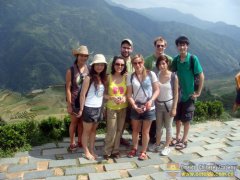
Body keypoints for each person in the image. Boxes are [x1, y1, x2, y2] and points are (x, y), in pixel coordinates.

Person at [171, 35, 204, 150]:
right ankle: (177, 137)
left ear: (187, 46)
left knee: (187, 119)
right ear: (177, 46)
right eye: (180, 45)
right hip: (178, 94)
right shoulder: (176, 60)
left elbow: (201, 75)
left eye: (184, 45)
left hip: (189, 94)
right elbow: (172, 73)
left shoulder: (192, 59)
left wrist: (198, 92)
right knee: (178, 118)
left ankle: (184, 140)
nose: (182, 47)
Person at [127, 54, 160, 160]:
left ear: (143, 62)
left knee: (146, 131)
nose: (137, 65)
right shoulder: (130, 76)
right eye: (135, 63)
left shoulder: (151, 74)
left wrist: (151, 101)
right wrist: (134, 106)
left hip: (149, 106)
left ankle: (143, 151)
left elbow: (157, 90)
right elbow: (129, 95)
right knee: (135, 130)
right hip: (136, 105)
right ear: (132, 64)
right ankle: (134, 148)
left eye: (139, 62)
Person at [77, 54, 107, 160]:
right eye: (97, 64)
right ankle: (86, 151)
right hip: (89, 108)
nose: (99, 67)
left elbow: (101, 94)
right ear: (93, 65)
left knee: (94, 131)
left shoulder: (103, 78)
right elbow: (82, 95)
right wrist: (81, 109)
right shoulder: (88, 78)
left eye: (101, 65)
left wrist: (112, 98)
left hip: (98, 108)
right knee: (87, 131)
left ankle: (92, 149)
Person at [149, 55, 178, 156]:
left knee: (169, 126)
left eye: (163, 63)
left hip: (169, 105)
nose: (161, 66)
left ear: (167, 64)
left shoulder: (173, 76)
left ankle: (167, 146)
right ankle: (157, 144)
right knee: (158, 126)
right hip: (158, 104)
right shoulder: (157, 75)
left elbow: (176, 93)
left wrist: (174, 108)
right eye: (159, 64)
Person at [144, 36, 173, 143]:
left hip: (166, 94)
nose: (160, 47)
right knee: (153, 118)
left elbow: (173, 76)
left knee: (166, 122)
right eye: (158, 45)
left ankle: (167, 140)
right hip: (151, 93)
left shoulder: (169, 59)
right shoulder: (148, 60)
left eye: (162, 45)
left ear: (165, 46)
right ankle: (152, 138)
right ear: (155, 46)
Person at [107, 38, 134, 146]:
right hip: (114, 98)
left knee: (125, 120)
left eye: (128, 48)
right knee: (113, 124)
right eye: (124, 47)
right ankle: (111, 141)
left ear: (131, 49)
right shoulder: (113, 61)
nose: (126, 50)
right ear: (120, 48)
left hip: (129, 97)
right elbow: (107, 78)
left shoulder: (133, 62)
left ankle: (119, 138)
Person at [65, 45, 90, 152]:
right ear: (77, 56)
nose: (83, 58)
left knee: (81, 123)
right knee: (74, 122)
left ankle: (80, 140)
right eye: (81, 56)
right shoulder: (71, 70)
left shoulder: (88, 69)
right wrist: (69, 104)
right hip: (74, 101)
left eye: (85, 56)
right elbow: (67, 88)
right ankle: (72, 142)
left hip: (85, 101)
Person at [103, 56, 128, 160]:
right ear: (113, 65)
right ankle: (107, 151)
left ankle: (116, 150)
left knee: (119, 130)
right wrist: (111, 97)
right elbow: (103, 94)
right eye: (117, 64)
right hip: (111, 107)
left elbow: (129, 93)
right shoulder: (108, 77)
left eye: (122, 65)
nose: (120, 66)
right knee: (111, 130)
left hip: (123, 107)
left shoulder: (126, 77)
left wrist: (124, 98)